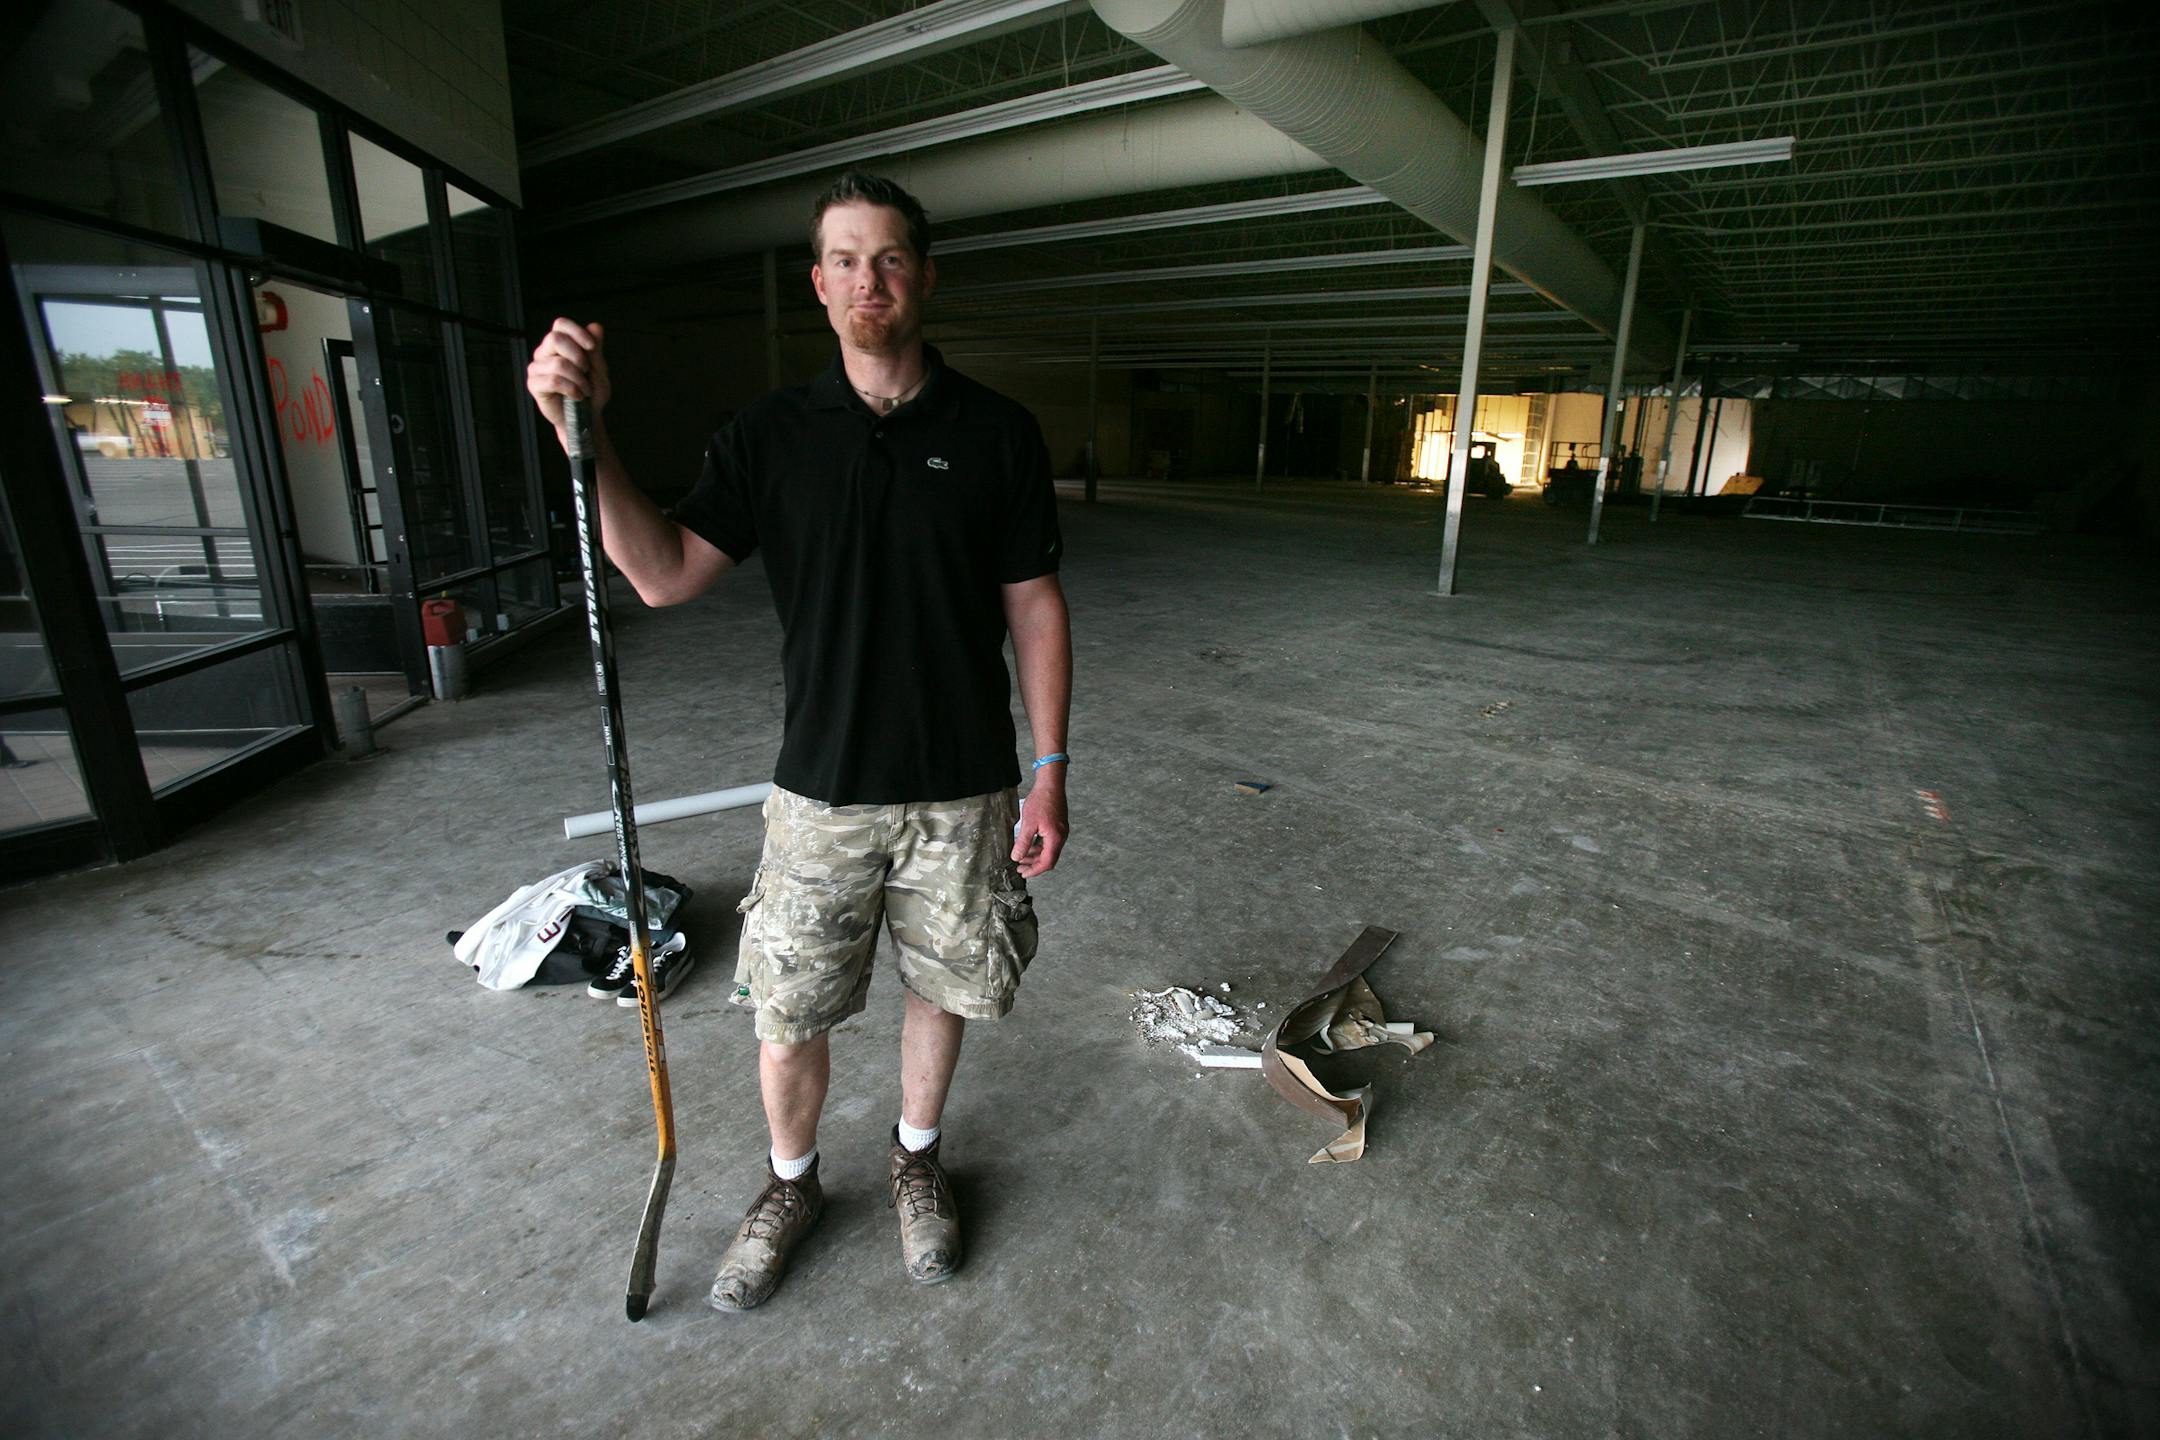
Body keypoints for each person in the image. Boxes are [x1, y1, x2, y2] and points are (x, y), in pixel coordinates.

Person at [524, 171, 1071, 1311]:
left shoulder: (997, 433)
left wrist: (1050, 770)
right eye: (845, 260)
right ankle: (791, 1184)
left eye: (890, 259)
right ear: (818, 284)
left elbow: (1034, 602)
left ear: (923, 276)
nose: (868, 280)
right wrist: (590, 435)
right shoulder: (770, 436)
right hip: (821, 792)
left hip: (963, 788)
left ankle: (917, 1159)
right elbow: (665, 573)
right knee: (791, 1009)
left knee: (945, 990)